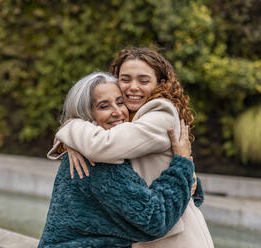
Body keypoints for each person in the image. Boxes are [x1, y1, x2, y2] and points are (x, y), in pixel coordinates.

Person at [53, 48, 214, 247]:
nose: (133, 87)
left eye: (143, 81)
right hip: (147, 232)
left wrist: (71, 126)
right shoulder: (126, 115)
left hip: (176, 238)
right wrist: (70, 139)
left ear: (160, 84)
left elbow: (103, 146)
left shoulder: (161, 112)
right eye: (125, 79)